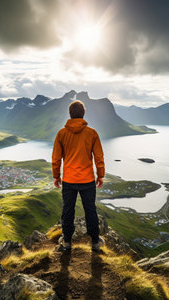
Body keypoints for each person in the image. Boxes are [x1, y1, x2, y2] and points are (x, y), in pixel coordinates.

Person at [52, 100, 105, 251]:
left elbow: (56, 158)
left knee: (68, 210)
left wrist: (56, 176)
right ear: (83, 114)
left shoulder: (62, 133)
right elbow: (99, 157)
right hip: (87, 179)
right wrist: (100, 175)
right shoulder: (92, 133)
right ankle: (95, 242)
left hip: (68, 179)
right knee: (90, 210)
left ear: (70, 114)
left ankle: (67, 242)